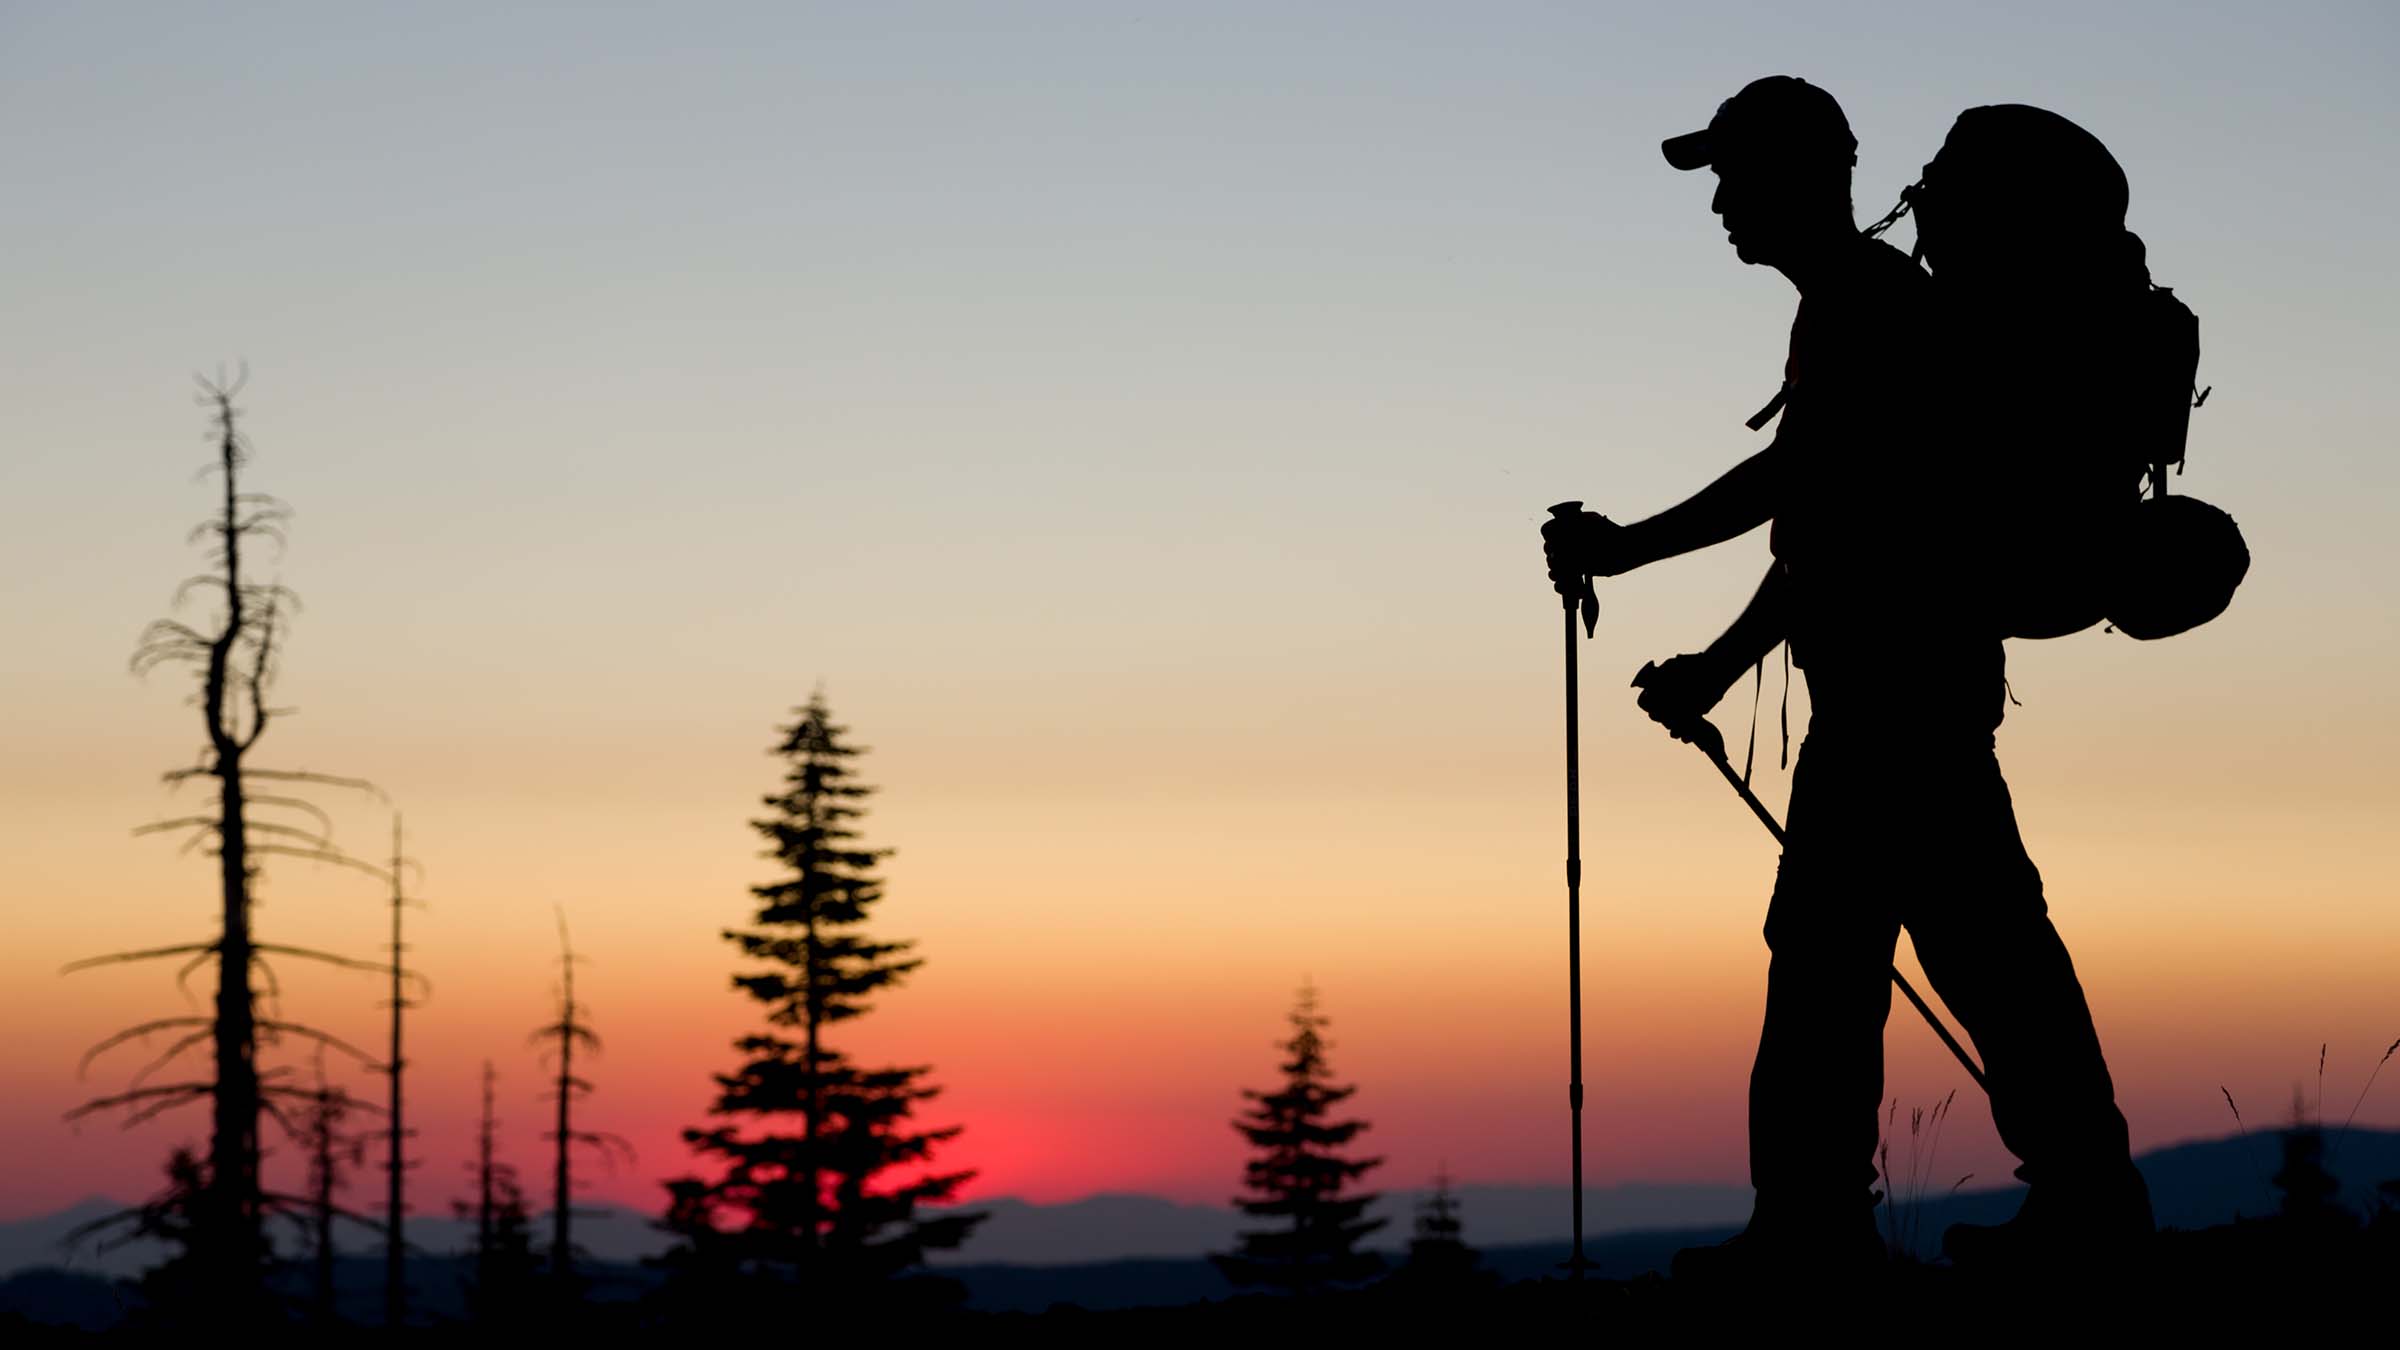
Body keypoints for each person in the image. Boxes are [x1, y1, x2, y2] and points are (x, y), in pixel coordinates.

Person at [1540, 79, 2152, 1280]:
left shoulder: (1870, 307)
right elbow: (1820, 517)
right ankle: (2076, 1198)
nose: (1718, 202)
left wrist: (1639, 564)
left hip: (1897, 697)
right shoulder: (1860, 306)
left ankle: (1821, 1232)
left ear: (1800, 175)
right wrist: (1714, 662)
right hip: (1909, 688)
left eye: (1732, 176)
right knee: (1976, 948)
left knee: (1843, 958)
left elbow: (1805, 507)